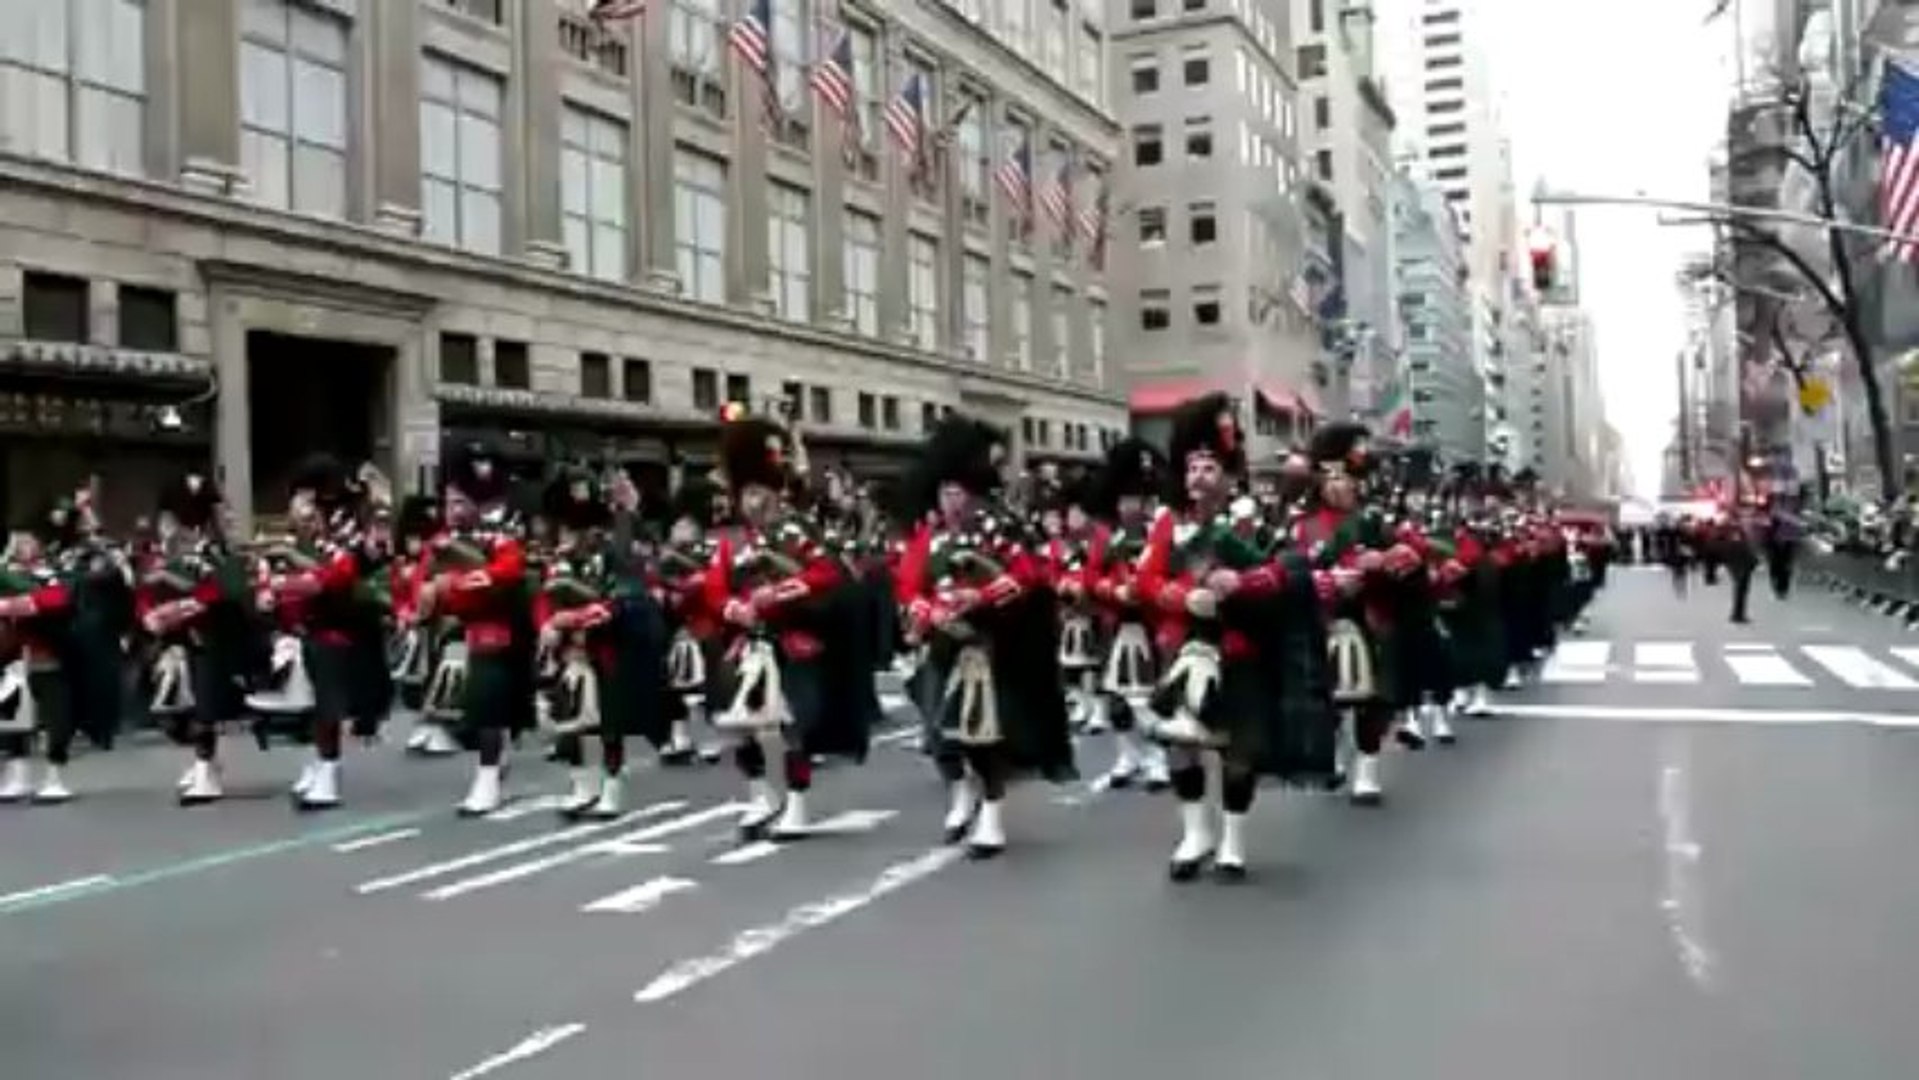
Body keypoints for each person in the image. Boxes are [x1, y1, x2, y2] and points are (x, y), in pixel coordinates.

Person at [1138, 394, 1336, 877]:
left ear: (1228, 474)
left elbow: (1286, 571)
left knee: (1238, 751)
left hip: (1241, 646)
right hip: (1184, 647)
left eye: (1209, 468)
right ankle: (1195, 833)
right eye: (1192, 468)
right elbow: (1146, 579)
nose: (1198, 477)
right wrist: (1184, 598)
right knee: (1179, 743)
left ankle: (1232, 839)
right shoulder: (1168, 523)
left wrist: (1242, 585)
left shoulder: (1253, 521)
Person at [895, 415, 1074, 857]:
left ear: (973, 492)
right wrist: (928, 613)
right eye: (944, 491)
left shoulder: (997, 530)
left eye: (958, 492)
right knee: (939, 733)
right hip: (942, 646)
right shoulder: (931, 539)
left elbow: (1027, 575)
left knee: (985, 736)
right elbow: (908, 587)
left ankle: (991, 814)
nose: (951, 500)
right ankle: (960, 792)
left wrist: (980, 597)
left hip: (987, 647)